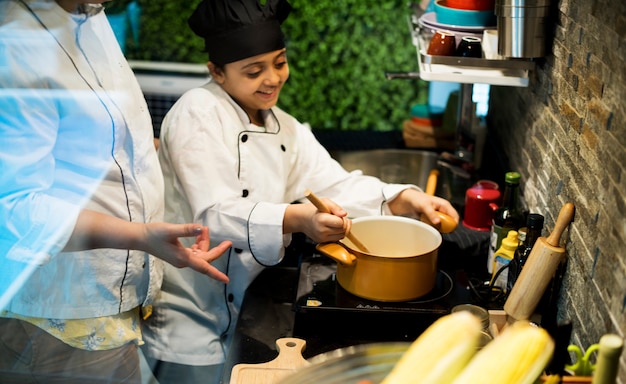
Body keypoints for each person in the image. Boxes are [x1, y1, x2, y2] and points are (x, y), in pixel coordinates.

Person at [140, 0, 460, 383]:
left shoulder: (285, 128)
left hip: (245, 303)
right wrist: (298, 219)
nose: (273, 78)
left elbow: (333, 183)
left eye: (279, 62)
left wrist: (400, 197)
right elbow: (214, 215)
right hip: (189, 314)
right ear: (217, 72)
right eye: (254, 71)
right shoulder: (197, 112)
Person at [0, 1, 232, 383]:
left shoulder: (88, 13)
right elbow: (14, 207)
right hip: (58, 318)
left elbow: (99, 146)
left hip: (111, 302)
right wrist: (139, 237)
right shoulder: (17, 41)